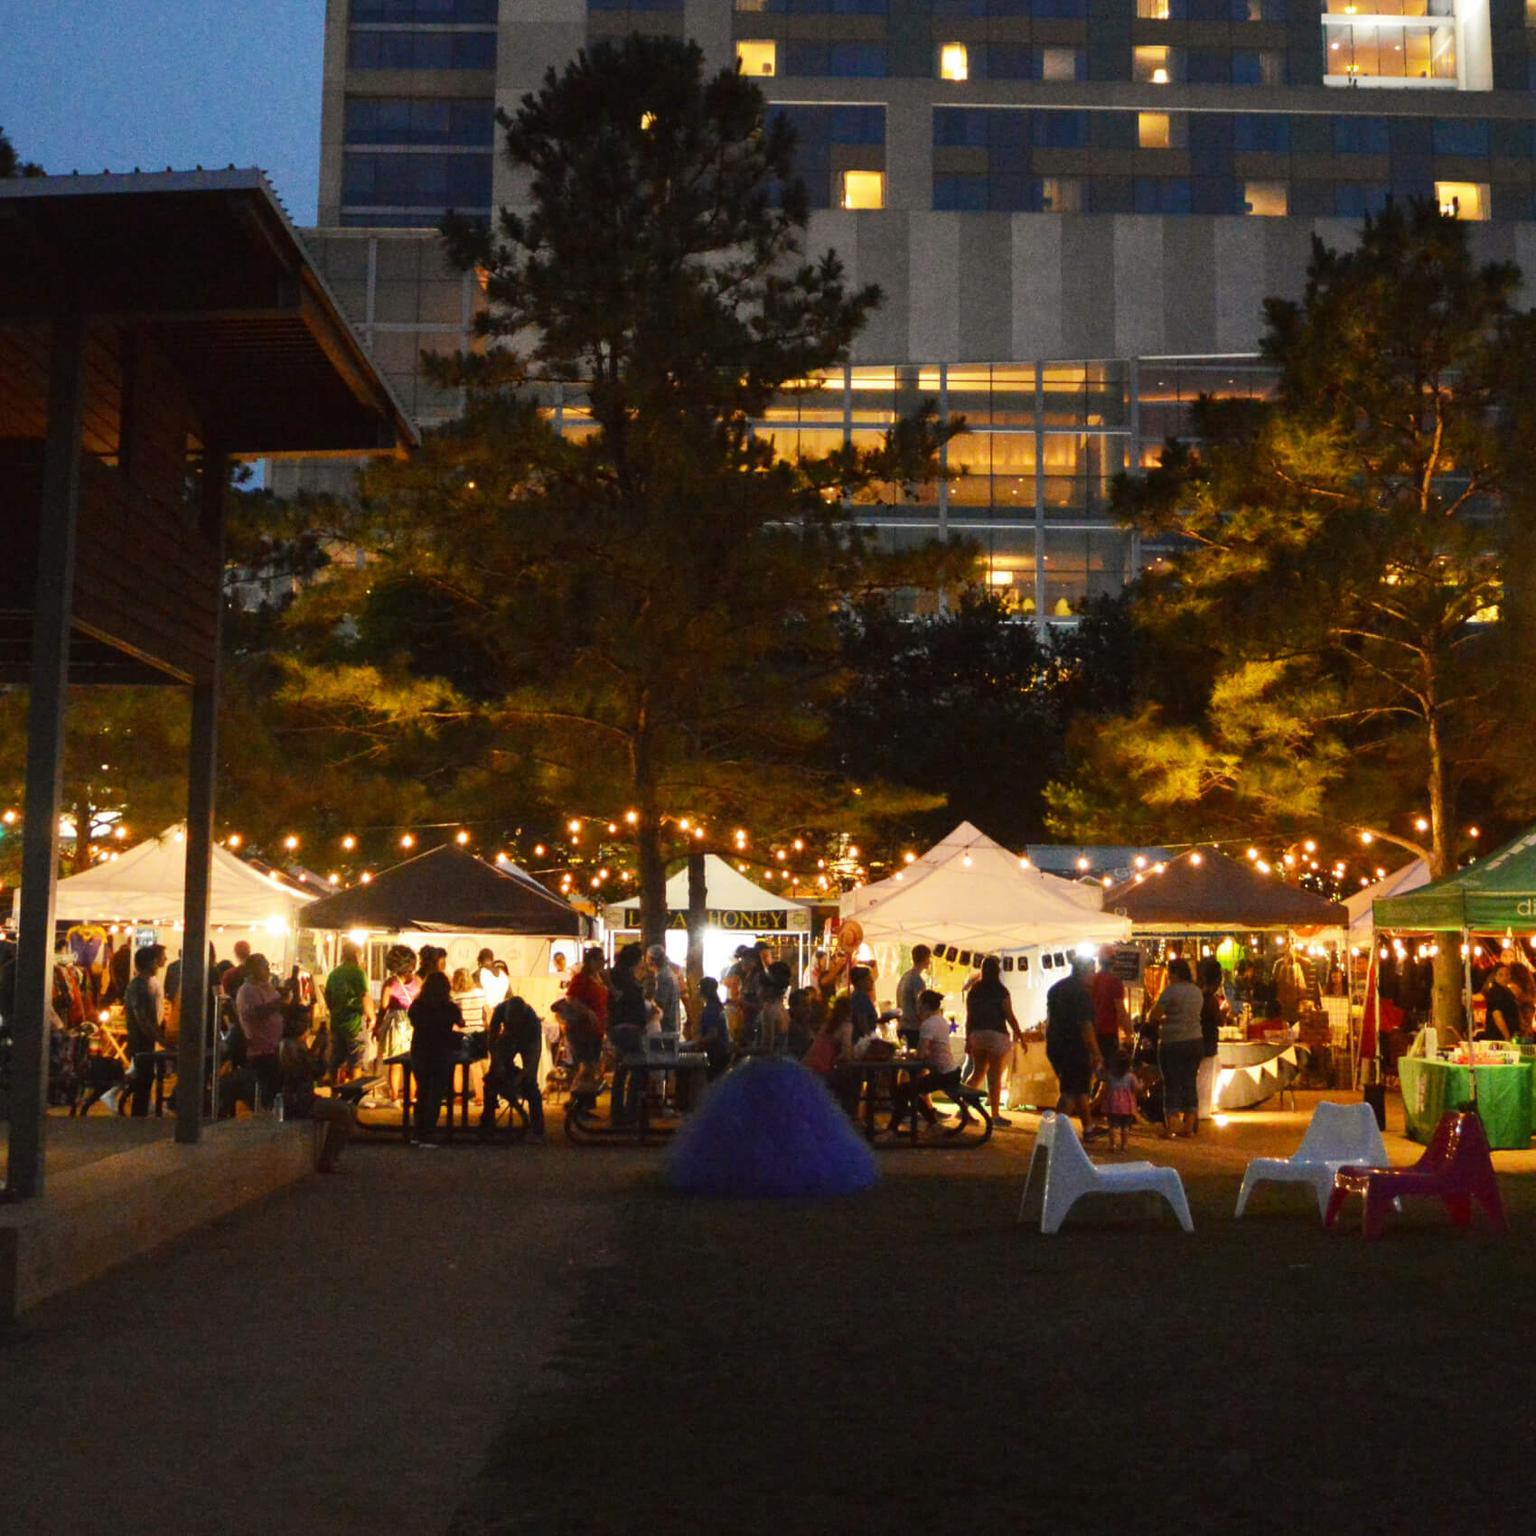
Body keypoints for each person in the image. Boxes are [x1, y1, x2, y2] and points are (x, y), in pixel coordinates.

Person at [277, 1005, 355, 1172]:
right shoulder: (288, 1045)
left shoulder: (297, 1044)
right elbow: (308, 1072)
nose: (306, 1026)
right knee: (342, 1111)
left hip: (305, 1097)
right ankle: (328, 1158)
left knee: (347, 1110)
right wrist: (320, 1050)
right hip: (298, 1101)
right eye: (304, 1022)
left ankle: (331, 1156)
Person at [963, 956, 1027, 1127]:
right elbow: (1009, 1015)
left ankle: (962, 1108)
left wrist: (968, 1038)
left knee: (977, 1072)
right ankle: (995, 1114)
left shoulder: (974, 990)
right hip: (996, 1035)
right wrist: (1020, 1035)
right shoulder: (1001, 991)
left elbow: (969, 1017)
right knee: (995, 1075)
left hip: (977, 1035)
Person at [1047, 955, 1104, 1140]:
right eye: (1092, 972)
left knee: (1079, 1088)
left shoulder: (1057, 988)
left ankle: (1088, 1127)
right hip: (1074, 1046)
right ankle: (1057, 1132)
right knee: (1071, 1090)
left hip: (1055, 1044)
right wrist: (1096, 1053)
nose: (1094, 976)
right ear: (1085, 972)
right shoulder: (1081, 993)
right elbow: (1085, 1025)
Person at [1149, 957, 1204, 1138]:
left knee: (1171, 1082)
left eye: (1170, 972)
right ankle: (1189, 1125)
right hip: (1195, 1041)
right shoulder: (1197, 991)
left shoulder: (1171, 991)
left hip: (1173, 1042)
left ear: (1175, 973)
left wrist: (1163, 1019)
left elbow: (1155, 1016)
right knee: (1189, 1081)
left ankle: (1171, 1125)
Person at [892, 989, 961, 1135]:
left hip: (944, 1075)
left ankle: (894, 1128)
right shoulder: (940, 1020)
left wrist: (909, 1055)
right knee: (909, 1090)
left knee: (905, 1090)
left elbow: (921, 1053)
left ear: (924, 1005)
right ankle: (930, 1122)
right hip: (951, 1072)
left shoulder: (928, 1024)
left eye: (918, 1003)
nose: (916, 1007)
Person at [407, 969, 463, 1145]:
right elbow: (460, 1022)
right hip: (441, 1051)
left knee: (422, 1092)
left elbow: (414, 1021)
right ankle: (429, 1131)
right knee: (436, 1093)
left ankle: (418, 1131)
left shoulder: (417, 1006)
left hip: (420, 1050)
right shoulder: (449, 1008)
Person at [483, 992, 546, 1141]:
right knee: (492, 1079)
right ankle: (487, 1121)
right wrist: (497, 1062)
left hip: (529, 1040)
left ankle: (538, 1130)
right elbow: (492, 1037)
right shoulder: (500, 1010)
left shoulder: (533, 1023)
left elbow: (531, 1061)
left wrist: (520, 1078)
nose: (513, 1024)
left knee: (531, 1083)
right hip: (508, 1038)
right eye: (510, 1021)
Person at [121, 944, 170, 1117]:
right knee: (142, 1080)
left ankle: (139, 1114)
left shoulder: (145, 984)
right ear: (150, 963)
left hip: (145, 1040)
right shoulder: (138, 986)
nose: (159, 964)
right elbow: (143, 1019)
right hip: (140, 1040)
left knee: (145, 1080)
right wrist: (160, 1038)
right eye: (156, 961)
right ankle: (138, 1117)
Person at [236, 953, 285, 1109]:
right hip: (261, 1049)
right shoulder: (247, 990)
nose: (268, 970)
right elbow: (257, 1012)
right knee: (269, 1088)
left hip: (274, 1046)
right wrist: (279, 1001)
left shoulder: (267, 987)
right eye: (265, 967)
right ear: (253, 969)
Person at [608, 943, 648, 1124]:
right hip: (628, 1027)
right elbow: (632, 1001)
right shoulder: (625, 977)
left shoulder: (619, 975)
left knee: (622, 1070)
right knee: (637, 1068)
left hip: (621, 1026)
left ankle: (620, 1111)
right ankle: (629, 1110)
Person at [323, 941, 374, 1083]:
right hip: (354, 1022)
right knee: (355, 1061)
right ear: (357, 955)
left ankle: (334, 1092)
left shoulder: (334, 973)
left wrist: (335, 1010)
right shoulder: (358, 973)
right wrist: (372, 1017)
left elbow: (328, 997)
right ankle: (353, 1094)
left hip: (337, 1022)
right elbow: (364, 995)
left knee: (336, 1059)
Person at [374, 946, 420, 1104]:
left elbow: (383, 1007)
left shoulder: (390, 983)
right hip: (414, 1024)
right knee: (413, 1062)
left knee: (396, 1063)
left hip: (395, 1025)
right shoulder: (417, 982)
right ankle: (411, 1096)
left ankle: (394, 1097)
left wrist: (377, 1026)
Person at [802, 993, 859, 1116]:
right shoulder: (846, 1026)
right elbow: (846, 1053)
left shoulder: (827, 1025)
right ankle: (850, 1117)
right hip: (824, 1069)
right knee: (852, 1083)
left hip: (808, 1066)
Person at [1091, 946, 1130, 1069]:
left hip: (1092, 1033)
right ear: (1114, 961)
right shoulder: (1115, 982)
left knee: (1097, 1070)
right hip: (1108, 1034)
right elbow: (1120, 1010)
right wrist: (1129, 1033)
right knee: (1111, 1072)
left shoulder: (1092, 980)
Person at [1101, 1048, 1141, 1151]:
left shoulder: (1110, 1076)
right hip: (1127, 1105)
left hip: (1113, 1104)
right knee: (1125, 1126)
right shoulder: (1131, 1076)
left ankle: (1112, 1145)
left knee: (1112, 1125)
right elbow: (1136, 1088)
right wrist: (1142, 1083)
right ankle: (1124, 1145)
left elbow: (1104, 1084)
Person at [694, 976, 731, 1078]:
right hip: (722, 1052)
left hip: (716, 1054)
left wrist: (698, 1042)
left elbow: (713, 1034)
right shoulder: (717, 1006)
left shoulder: (711, 1009)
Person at [895, 946, 931, 1051]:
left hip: (902, 1026)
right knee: (916, 1063)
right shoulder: (917, 980)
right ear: (925, 958)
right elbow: (920, 1007)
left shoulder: (905, 977)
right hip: (913, 1028)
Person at [1481, 962, 1523, 1042]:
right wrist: (1506, 1035)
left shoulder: (1507, 992)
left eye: (1507, 975)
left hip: (1507, 1035)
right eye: (1501, 975)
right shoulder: (1496, 992)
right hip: (1498, 1037)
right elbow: (1497, 1014)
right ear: (1495, 977)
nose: (1504, 977)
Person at [646, 944, 682, 1035]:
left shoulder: (663, 976)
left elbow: (660, 1003)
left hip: (666, 1028)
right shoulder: (668, 973)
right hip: (671, 1026)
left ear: (652, 960)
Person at [757, 961, 792, 1054]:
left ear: (768, 989)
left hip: (769, 1063)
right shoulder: (781, 1007)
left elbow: (766, 1048)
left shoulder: (768, 1011)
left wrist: (740, 1050)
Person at [848, 965, 879, 1045]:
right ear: (860, 981)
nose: (872, 981)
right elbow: (862, 1022)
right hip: (861, 1042)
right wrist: (871, 1040)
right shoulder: (860, 997)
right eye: (868, 979)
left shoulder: (861, 996)